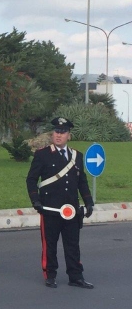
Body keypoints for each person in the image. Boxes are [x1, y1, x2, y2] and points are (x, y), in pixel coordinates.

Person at [26, 117, 94, 289]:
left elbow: (82, 182)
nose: (58, 135)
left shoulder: (77, 156)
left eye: (62, 133)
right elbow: (31, 179)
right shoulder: (42, 155)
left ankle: (75, 276)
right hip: (50, 208)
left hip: (71, 209)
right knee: (50, 245)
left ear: (68, 136)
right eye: (56, 132)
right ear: (52, 134)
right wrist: (36, 200)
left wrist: (88, 202)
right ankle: (50, 275)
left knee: (72, 245)